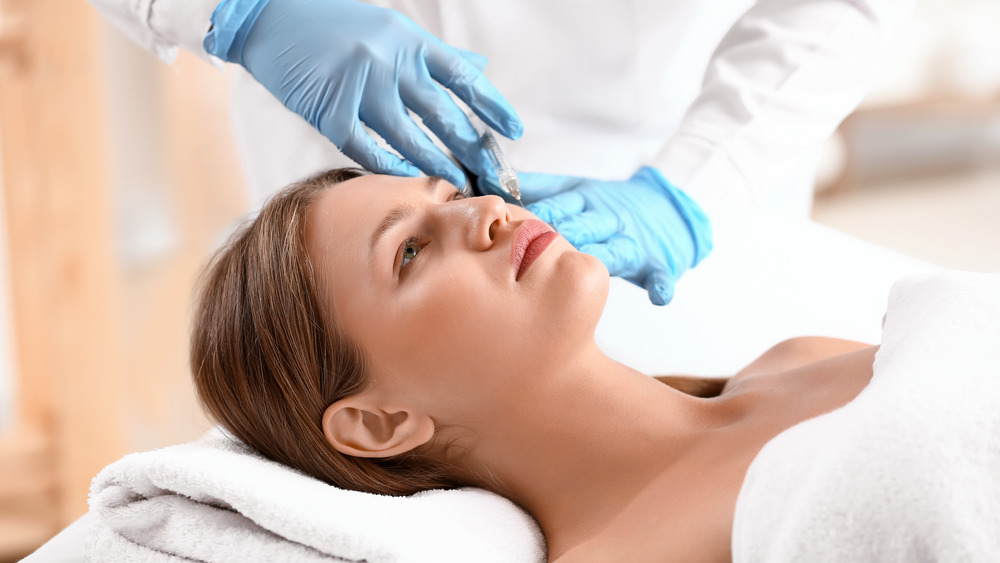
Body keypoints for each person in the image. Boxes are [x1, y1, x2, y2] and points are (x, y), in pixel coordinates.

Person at [190, 168, 881, 561]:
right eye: (410, 250)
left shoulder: (799, 356)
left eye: (451, 196)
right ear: (379, 422)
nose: (487, 211)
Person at [88, 0, 913, 306]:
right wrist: (243, 10)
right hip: (321, 136)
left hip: (672, 160)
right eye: (411, 245)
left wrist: (694, 186)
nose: (487, 211)